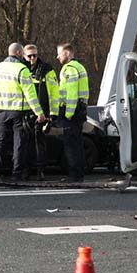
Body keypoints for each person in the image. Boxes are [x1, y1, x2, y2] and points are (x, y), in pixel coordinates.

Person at [0, 43, 46, 182]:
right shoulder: (22, 70)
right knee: (18, 142)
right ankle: (17, 172)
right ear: (19, 53)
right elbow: (30, 94)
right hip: (18, 111)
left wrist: (2, 87)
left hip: (1, 110)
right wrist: (39, 113)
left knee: (0, 141)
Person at [23, 44, 60, 180]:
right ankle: (25, 170)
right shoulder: (21, 69)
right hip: (25, 112)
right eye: (29, 56)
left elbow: (54, 93)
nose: (33, 58)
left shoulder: (46, 70)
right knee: (25, 143)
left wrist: (52, 114)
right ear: (24, 56)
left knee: (40, 143)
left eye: (35, 55)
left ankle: (40, 171)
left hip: (42, 113)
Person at [55, 43, 90, 182]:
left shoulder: (69, 69)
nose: (57, 56)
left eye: (59, 53)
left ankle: (74, 175)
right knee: (78, 142)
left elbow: (71, 92)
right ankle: (79, 174)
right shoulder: (79, 67)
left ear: (67, 53)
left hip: (72, 111)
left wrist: (68, 113)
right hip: (80, 109)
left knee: (71, 144)